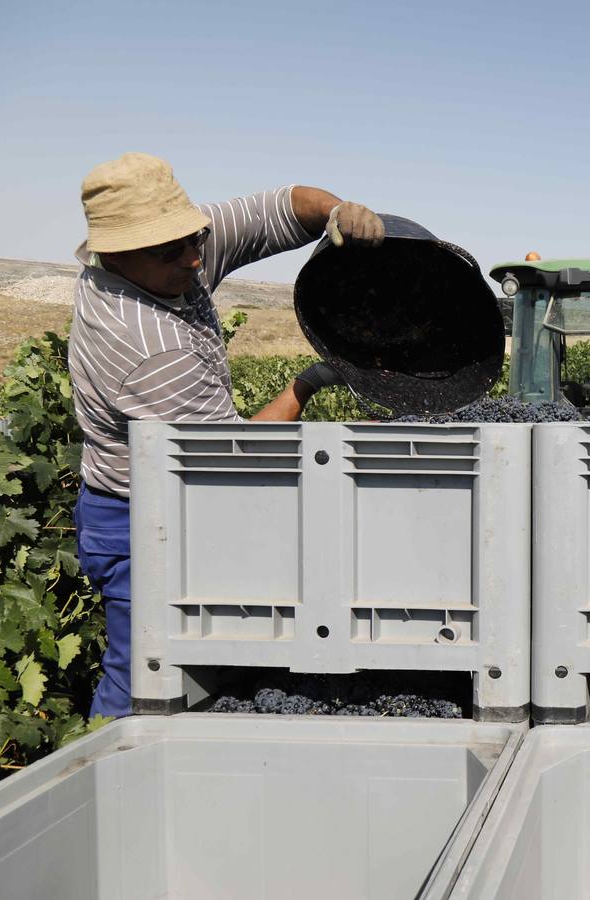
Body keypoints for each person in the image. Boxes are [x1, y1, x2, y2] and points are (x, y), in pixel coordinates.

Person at [69, 152, 385, 718]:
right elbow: (231, 468)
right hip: (142, 522)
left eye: (195, 239)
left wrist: (336, 211)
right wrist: (308, 383)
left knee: (211, 667)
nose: (195, 258)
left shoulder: (173, 250)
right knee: (146, 678)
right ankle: (106, 783)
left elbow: (283, 205)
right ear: (113, 253)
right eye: (173, 251)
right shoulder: (145, 346)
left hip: (183, 493)